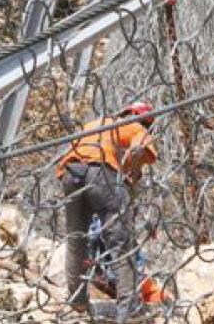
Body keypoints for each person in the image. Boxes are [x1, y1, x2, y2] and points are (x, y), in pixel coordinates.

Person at [58, 102, 159, 319]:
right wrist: (131, 173)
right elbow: (138, 148)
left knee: (76, 240)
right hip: (101, 174)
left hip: (70, 173)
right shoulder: (135, 126)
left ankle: (77, 301)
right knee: (123, 245)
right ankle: (129, 309)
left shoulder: (95, 124)